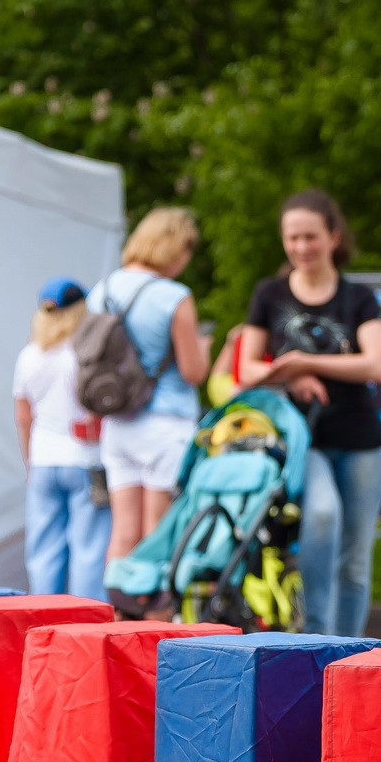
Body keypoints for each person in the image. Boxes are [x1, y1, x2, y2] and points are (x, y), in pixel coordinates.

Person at [238, 190, 381, 637]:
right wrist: (288, 377)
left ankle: (353, 654)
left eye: (310, 237)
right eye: (292, 238)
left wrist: (304, 362)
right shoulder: (269, 293)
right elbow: (247, 367)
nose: (302, 247)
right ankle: (318, 642)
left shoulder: (358, 297)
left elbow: (375, 364)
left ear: (333, 237)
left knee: (355, 560)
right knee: (321, 516)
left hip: (363, 442)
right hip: (305, 440)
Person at [88, 208, 211, 573]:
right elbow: (192, 372)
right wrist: (203, 347)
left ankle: (116, 621)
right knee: (157, 532)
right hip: (165, 422)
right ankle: (155, 624)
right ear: (174, 248)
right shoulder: (174, 296)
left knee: (123, 533)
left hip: (118, 422)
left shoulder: (103, 289)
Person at [16, 278, 109, 599]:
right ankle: (87, 625)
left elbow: (23, 415)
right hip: (85, 459)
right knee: (89, 551)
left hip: (42, 459)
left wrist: (29, 460)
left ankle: (43, 619)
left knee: (43, 551)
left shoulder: (28, 355)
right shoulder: (83, 355)